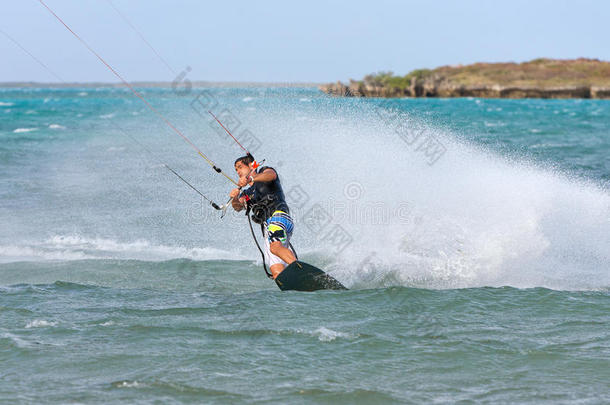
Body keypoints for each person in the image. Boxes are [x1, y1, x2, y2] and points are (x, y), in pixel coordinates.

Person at [230, 155, 296, 278]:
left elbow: (271, 176)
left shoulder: (265, 171)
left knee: (275, 247)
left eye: (240, 167)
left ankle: (299, 269)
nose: (238, 171)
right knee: (276, 271)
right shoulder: (247, 193)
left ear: (251, 165)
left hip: (279, 217)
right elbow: (238, 207)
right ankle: (293, 286)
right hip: (268, 228)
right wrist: (234, 197)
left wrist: (251, 179)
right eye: (236, 170)